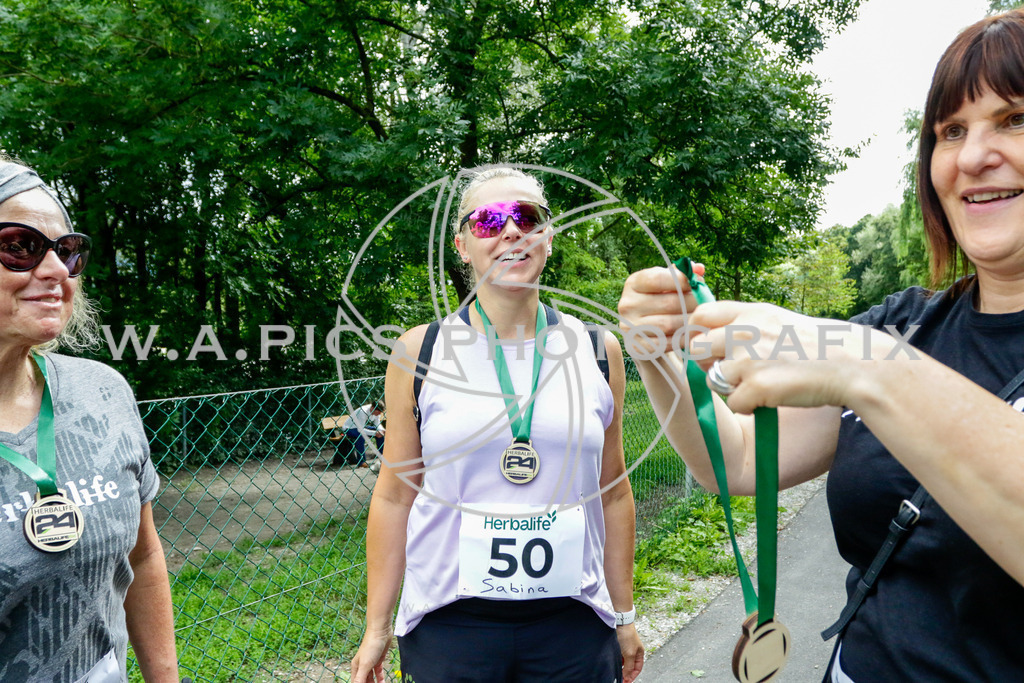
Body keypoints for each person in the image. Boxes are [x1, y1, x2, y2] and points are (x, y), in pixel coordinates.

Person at [618, 9, 1024, 682]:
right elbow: (737, 460)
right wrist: (658, 355)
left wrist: (858, 365)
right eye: (951, 130)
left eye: (1014, 118)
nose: (974, 155)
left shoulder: (872, 351)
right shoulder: (905, 325)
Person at [350, 167, 644, 682]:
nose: (510, 231)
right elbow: (396, 494)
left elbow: (613, 492)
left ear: (547, 237)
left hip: (572, 623)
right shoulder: (421, 351)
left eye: (526, 218)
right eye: (488, 220)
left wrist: (623, 616)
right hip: (451, 624)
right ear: (463, 245)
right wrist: (377, 626)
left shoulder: (599, 351)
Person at [0, 158, 179, 682]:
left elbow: (142, 558)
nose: (56, 270)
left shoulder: (102, 391)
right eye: (20, 246)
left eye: (68, 250)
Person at [333, 401, 385, 467]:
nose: (378, 414)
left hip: (359, 427)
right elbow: (360, 430)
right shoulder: (363, 412)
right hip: (350, 428)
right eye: (378, 412)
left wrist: (382, 430)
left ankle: (382, 457)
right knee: (360, 436)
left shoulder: (377, 411)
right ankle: (361, 462)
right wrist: (375, 433)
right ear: (373, 408)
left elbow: (377, 423)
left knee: (380, 434)